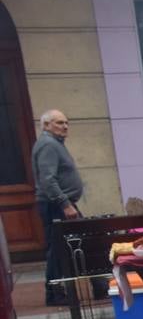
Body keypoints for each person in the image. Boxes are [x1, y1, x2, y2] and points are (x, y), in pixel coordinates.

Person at [32, 109, 83, 307]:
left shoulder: (54, 144)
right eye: (59, 123)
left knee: (78, 243)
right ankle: (54, 293)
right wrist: (65, 204)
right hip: (57, 205)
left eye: (66, 122)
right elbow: (48, 180)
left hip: (62, 204)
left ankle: (98, 285)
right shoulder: (48, 145)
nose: (65, 126)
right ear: (46, 125)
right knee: (57, 248)